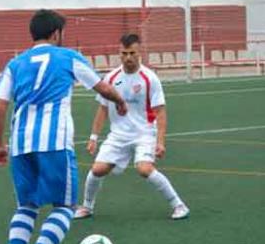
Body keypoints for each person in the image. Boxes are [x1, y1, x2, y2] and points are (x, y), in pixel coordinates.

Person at [0, 9, 127, 244]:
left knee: (26, 206)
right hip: (54, 143)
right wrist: (120, 100)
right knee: (65, 207)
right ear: (56, 34)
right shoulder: (68, 57)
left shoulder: (15, 64)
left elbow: (0, 105)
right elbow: (102, 87)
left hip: (20, 144)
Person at [74, 33, 190, 221]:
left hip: (144, 133)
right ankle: (87, 207)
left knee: (144, 169)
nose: (128, 57)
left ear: (139, 52)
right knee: (97, 170)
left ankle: (179, 205)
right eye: (124, 53)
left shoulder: (149, 78)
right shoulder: (111, 78)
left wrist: (160, 142)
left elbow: (160, 111)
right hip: (118, 135)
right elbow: (102, 109)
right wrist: (93, 137)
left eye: (132, 53)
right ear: (119, 53)